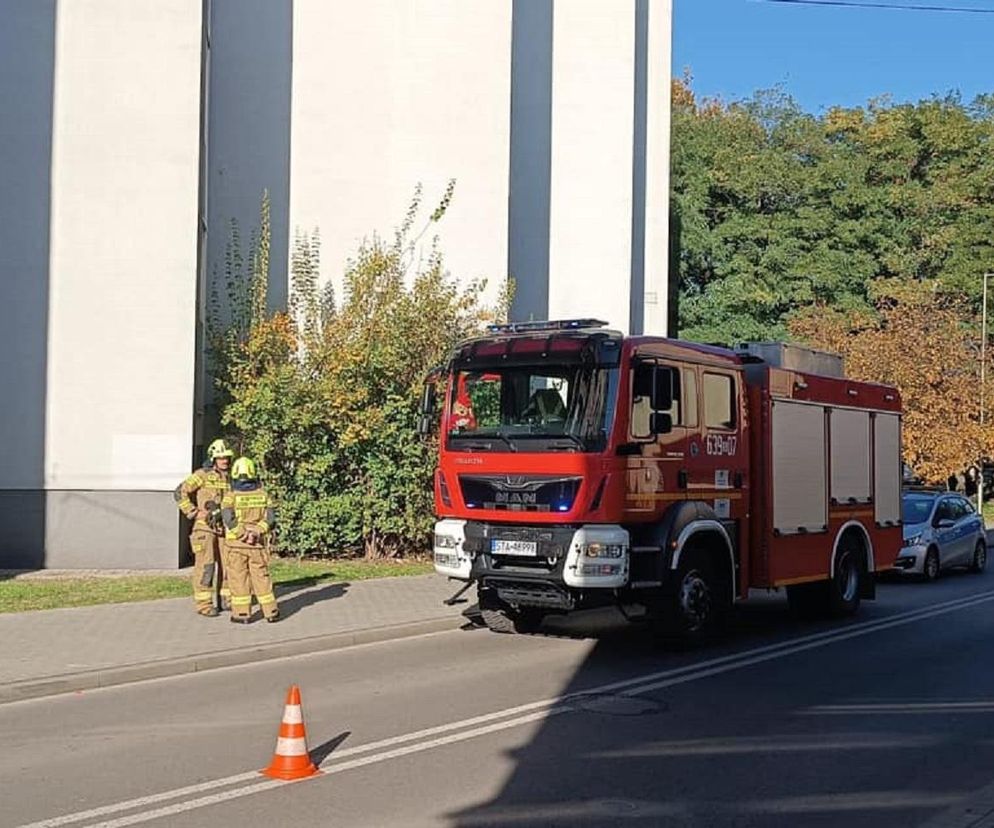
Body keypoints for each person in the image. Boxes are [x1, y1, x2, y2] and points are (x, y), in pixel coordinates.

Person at [173, 438, 233, 617]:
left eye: (227, 458)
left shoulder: (230, 477)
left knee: (228, 565)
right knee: (206, 566)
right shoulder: (201, 475)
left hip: (225, 528)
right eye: (221, 458)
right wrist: (193, 511)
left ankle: (226, 599)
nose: (225, 461)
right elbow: (179, 492)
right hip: (204, 529)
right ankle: (204, 604)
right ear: (213, 458)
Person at [222, 457, 280, 624]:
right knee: (261, 578)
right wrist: (256, 532)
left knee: (238, 579)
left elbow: (228, 519)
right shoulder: (263, 495)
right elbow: (270, 519)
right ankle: (271, 612)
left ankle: (242, 614)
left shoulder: (230, 496)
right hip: (257, 546)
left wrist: (243, 534)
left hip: (236, 546)